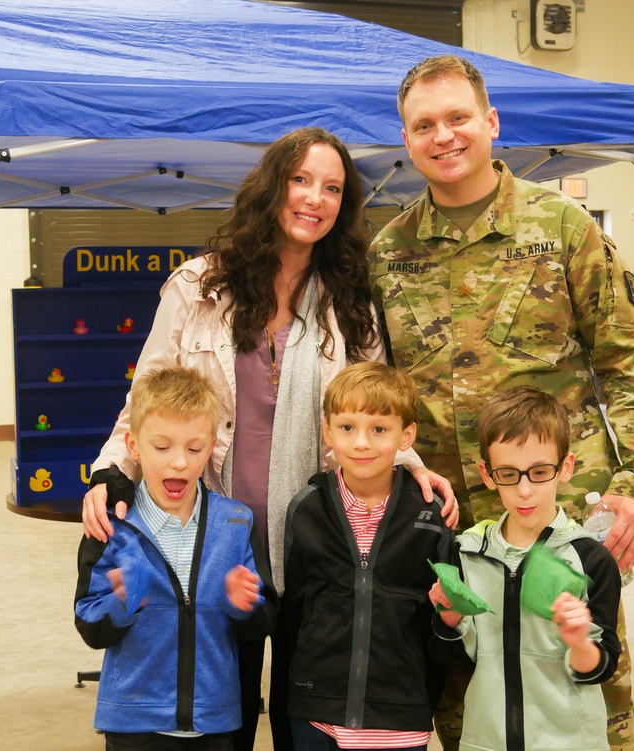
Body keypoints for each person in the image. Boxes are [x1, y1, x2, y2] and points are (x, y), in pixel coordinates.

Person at [81, 127, 458, 751]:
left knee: (300, 714)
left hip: (316, 541)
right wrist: (108, 472)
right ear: (271, 187)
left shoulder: (352, 299)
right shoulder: (196, 289)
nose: (315, 198)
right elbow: (144, 400)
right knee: (217, 716)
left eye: (332, 187)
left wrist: (410, 463)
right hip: (215, 540)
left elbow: (373, 403)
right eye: (301, 181)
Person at [371, 54, 634, 751]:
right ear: (406, 138)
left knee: (585, 693)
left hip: (557, 520)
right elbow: (377, 390)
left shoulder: (563, 228)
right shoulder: (388, 253)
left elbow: (633, 365)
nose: (444, 135)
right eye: (425, 124)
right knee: (464, 705)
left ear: (491, 122)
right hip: (449, 530)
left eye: (458, 118)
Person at [74, 366, 277, 750]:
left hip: (215, 724)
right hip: (133, 725)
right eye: (162, 447)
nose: (179, 463)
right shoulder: (109, 527)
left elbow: (264, 620)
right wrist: (121, 603)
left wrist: (244, 606)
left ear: (213, 445)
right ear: (133, 446)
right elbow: (89, 626)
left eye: (194, 448)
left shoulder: (236, 522)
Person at [428, 386, 622, 751]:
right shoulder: (468, 552)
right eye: (508, 474)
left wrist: (579, 641)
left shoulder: (590, 559)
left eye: (539, 472)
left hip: (569, 743)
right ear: (487, 475)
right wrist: (449, 619)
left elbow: (600, 667)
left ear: (566, 468)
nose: (525, 490)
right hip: (485, 741)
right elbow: (454, 658)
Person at [283, 361, 454, 751]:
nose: (362, 443)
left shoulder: (431, 512)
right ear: (328, 431)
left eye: (379, 429)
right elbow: (295, 610)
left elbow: (443, 619)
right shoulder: (306, 508)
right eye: (347, 428)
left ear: (406, 435)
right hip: (317, 711)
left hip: (401, 711)